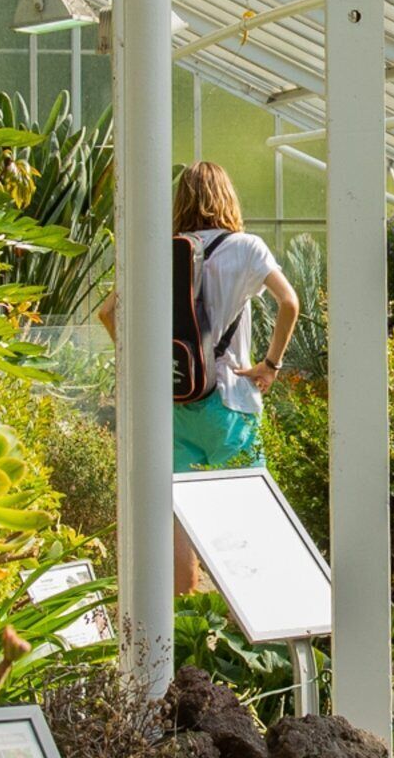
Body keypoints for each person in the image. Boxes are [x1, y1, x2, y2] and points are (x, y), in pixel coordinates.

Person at [98, 162, 301, 580]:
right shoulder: (247, 247)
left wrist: (141, 369)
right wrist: (271, 364)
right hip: (231, 401)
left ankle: (183, 628)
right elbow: (289, 303)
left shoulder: (157, 249)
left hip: (173, 399)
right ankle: (243, 629)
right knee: (247, 516)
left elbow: (107, 312)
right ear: (227, 198)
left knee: (178, 516)